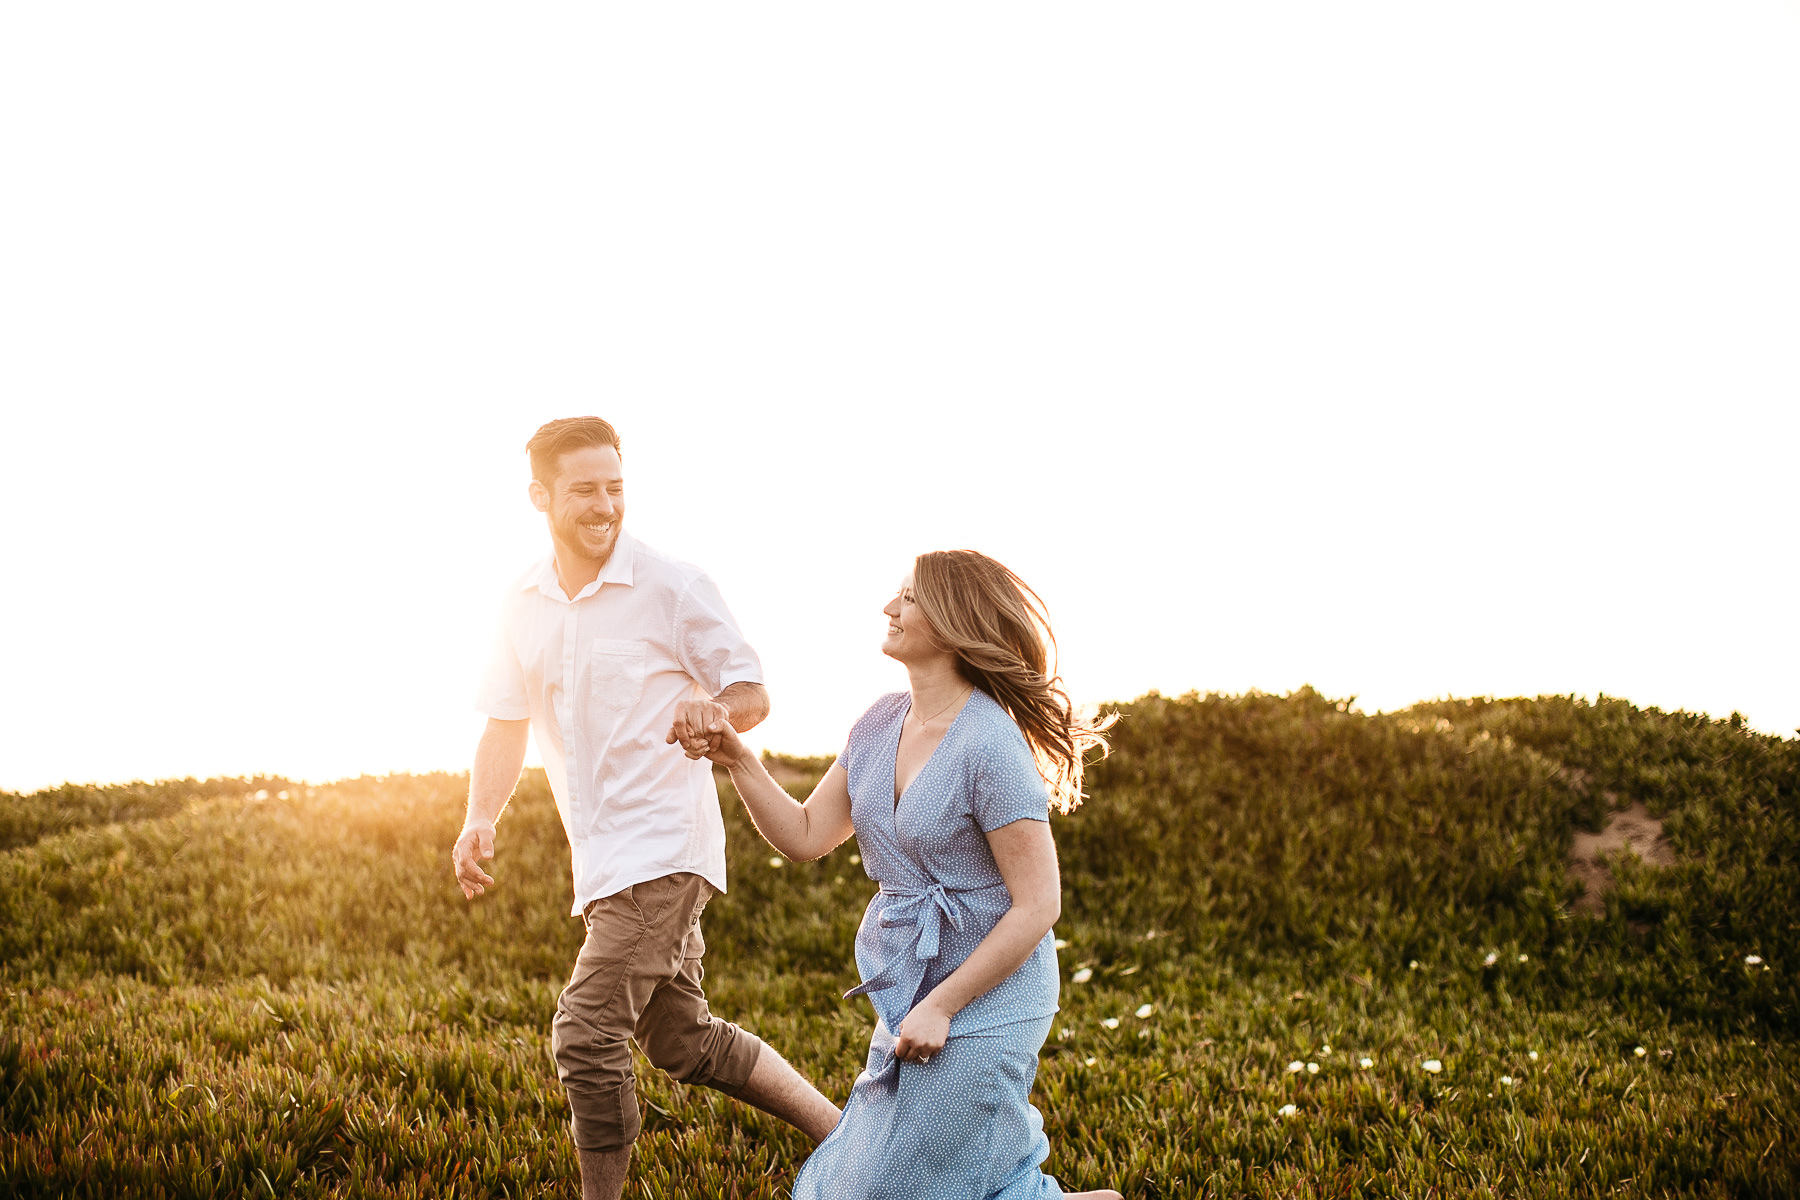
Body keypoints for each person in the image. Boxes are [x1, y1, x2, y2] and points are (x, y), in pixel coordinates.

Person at [451, 416, 840, 1200]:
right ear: (540, 495)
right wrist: (479, 816)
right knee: (681, 1040)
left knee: (585, 1034)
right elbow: (505, 719)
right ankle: (853, 1137)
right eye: (585, 490)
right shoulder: (520, 602)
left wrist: (712, 708)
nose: (605, 505)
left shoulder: (671, 584)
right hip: (600, 860)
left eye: (616, 488)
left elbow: (750, 690)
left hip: (665, 848)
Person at [688, 549, 1124, 1200]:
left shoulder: (989, 743)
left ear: (952, 620)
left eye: (909, 598)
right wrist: (738, 759)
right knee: (894, 1177)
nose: (890, 607)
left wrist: (944, 1006)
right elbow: (807, 837)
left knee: (904, 1184)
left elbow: (1038, 906)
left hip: (986, 1000)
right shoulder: (880, 720)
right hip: (909, 986)